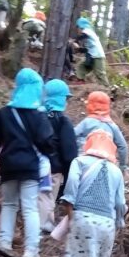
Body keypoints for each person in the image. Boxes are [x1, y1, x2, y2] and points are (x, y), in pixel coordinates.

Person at [0, 68, 55, 257]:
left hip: (8, 166)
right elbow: (47, 144)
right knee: (30, 208)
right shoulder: (38, 115)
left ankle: (4, 240)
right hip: (30, 168)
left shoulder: (4, 113)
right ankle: (31, 250)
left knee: (9, 204)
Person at [60, 129, 126, 257]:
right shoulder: (116, 171)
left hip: (83, 217)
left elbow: (71, 187)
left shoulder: (79, 162)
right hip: (107, 223)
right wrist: (119, 222)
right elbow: (120, 203)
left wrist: (70, 213)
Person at [39, 79, 78, 235]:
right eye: (65, 98)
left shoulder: (36, 115)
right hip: (54, 169)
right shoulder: (63, 121)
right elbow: (70, 152)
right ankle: (43, 228)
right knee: (48, 198)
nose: (66, 102)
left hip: (32, 165)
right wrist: (69, 173)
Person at [74, 91, 128, 170]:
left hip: (84, 161)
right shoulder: (112, 126)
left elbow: (71, 135)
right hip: (107, 163)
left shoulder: (86, 122)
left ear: (90, 105)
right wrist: (123, 166)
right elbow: (123, 147)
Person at [74, 17, 109, 86]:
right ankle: (81, 80)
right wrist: (79, 49)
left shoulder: (87, 31)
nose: (77, 29)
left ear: (81, 26)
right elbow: (88, 48)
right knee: (81, 66)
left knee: (100, 73)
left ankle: (106, 88)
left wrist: (75, 41)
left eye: (78, 27)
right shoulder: (89, 34)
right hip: (92, 56)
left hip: (97, 56)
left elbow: (83, 36)